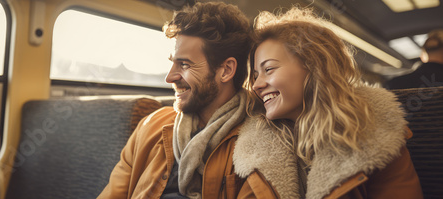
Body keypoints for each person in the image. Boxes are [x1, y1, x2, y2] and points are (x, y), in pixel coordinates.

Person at [233, 7, 424, 198]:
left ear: (314, 67)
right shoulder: (254, 147)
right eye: (256, 75)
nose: (257, 85)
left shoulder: (377, 134)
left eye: (269, 69)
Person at [97, 2, 252, 199]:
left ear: (226, 70)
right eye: (172, 63)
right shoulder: (150, 125)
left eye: (184, 64)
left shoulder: (254, 143)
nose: (169, 78)